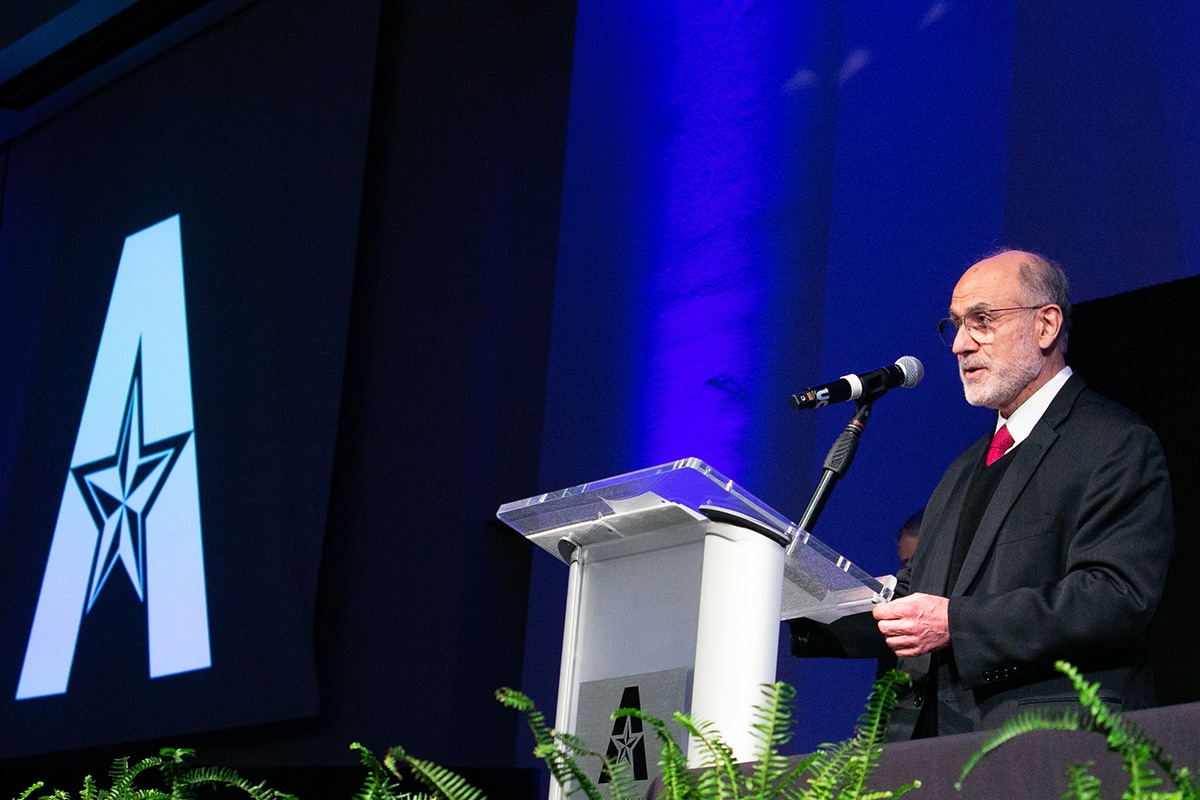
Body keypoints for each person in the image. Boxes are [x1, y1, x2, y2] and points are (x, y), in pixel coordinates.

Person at [789, 249, 1175, 739]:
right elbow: (915, 598)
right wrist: (796, 605)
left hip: (1046, 744)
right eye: (955, 325)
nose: (960, 345)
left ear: (1046, 325)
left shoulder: (1114, 443)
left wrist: (957, 623)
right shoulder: (964, 468)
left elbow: (1117, 597)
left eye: (982, 321)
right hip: (924, 750)